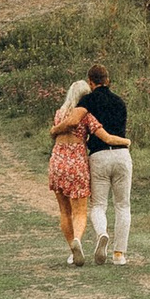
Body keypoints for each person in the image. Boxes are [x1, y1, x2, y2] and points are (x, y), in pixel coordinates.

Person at [75, 66, 134, 264]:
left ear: (90, 82)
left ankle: (102, 234)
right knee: (123, 205)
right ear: (107, 80)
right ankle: (119, 254)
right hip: (121, 155)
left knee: (99, 205)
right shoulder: (119, 102)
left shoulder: (88, 101)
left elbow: (76, 121)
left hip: (99, 155)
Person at [46, 76, 95, 262]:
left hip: (58, 161)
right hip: (77, 162)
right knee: (80, 211)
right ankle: (77, 240)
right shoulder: (85, 115)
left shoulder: (59, 113)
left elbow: (56, 133)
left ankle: (71, 250)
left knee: (64, 211)